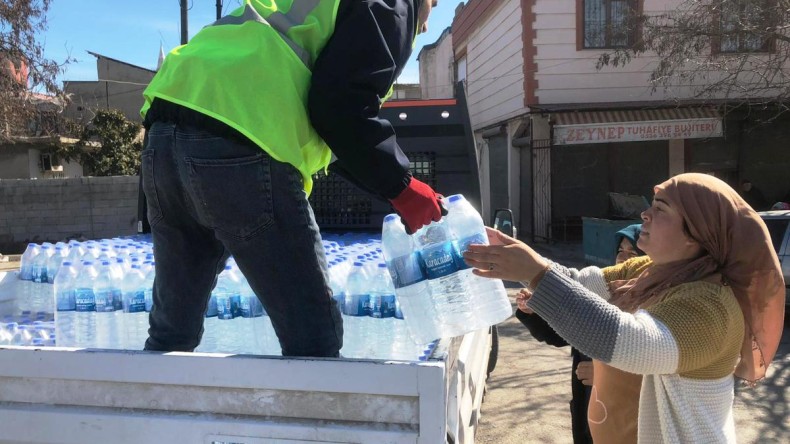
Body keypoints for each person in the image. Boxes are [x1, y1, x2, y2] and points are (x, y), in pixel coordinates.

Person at [138, 0, 443, 357]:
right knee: (313, 339)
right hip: (241, 133)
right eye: (434, 7)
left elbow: (334, 126)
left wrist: (390, 182)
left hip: (164, 128)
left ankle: (144, 410)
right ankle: (320, 413)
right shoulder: (392, 4)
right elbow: (340, 107)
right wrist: (402, 186)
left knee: (171, 333)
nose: (424, 25)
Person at [465, 173, 785, 443]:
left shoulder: (711, 307)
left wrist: (535, 273)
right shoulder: (651, 270)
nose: (645, 214)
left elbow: (628, 341)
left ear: (697, 235)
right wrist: (522, 261)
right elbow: (581, 282)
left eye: (661, 210)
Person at [515, 223, 644, 444]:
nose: (624, 258)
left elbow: (662, 368)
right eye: (621, 251)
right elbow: (560, 334)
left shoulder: (654, 307)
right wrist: (534, 311)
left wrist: (606, 375)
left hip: (628, 426)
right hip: (588, 416)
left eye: (633, 253)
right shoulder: (602, 296)